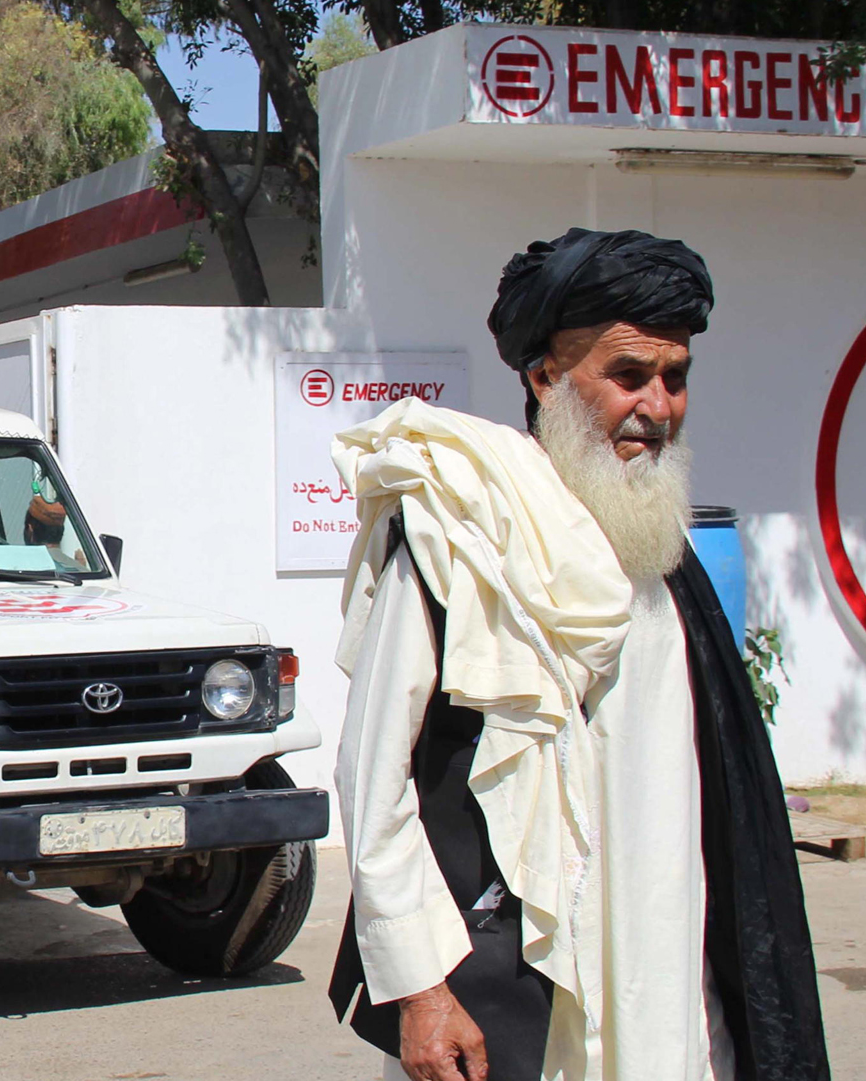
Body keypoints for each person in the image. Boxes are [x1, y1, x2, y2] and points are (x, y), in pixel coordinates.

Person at [327, 229, 827, 1081]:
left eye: (676, 379)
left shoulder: (667, 574)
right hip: (505, 1012)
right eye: (629, 375)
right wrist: (419, 991)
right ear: (545, 377)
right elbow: (374, 783)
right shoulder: (460, 537)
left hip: (664, 995)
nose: (658, 406)